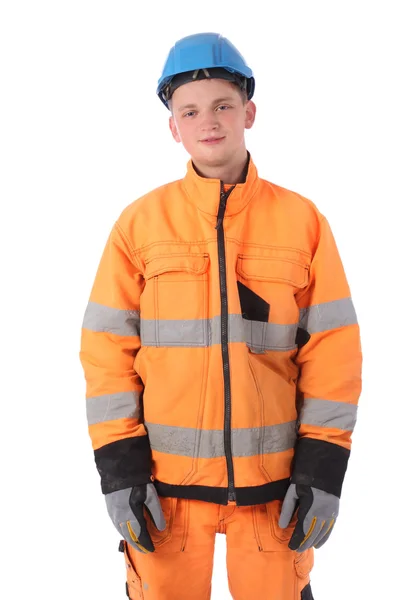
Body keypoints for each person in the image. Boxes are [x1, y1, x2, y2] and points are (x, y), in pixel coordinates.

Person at [79, 32, 362, 600]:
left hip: (274, 497)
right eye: (190, 110)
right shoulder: (139, 225)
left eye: (222, 105)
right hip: (166, 498)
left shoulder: (303, 222)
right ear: (173, 127)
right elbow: (106, 354)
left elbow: (334, 351)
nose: (208, 121)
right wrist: (121, 469)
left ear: (249, 113)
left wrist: (323, 468)